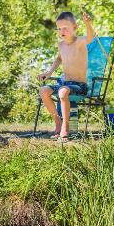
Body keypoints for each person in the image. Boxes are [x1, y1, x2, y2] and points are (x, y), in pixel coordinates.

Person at [38, 11, 95, 140]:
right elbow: (59, 59)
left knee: (63, 92)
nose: (61, 31)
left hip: (79, 86)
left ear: (75, 27)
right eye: (59, 28)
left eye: (65, 28)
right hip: (64, 84)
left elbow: (91, 38)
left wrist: (88, 24)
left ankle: (66, 125)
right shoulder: (61, 45)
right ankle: (57, 121)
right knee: (44, 90)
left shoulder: (80, 42)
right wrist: (49, 72)